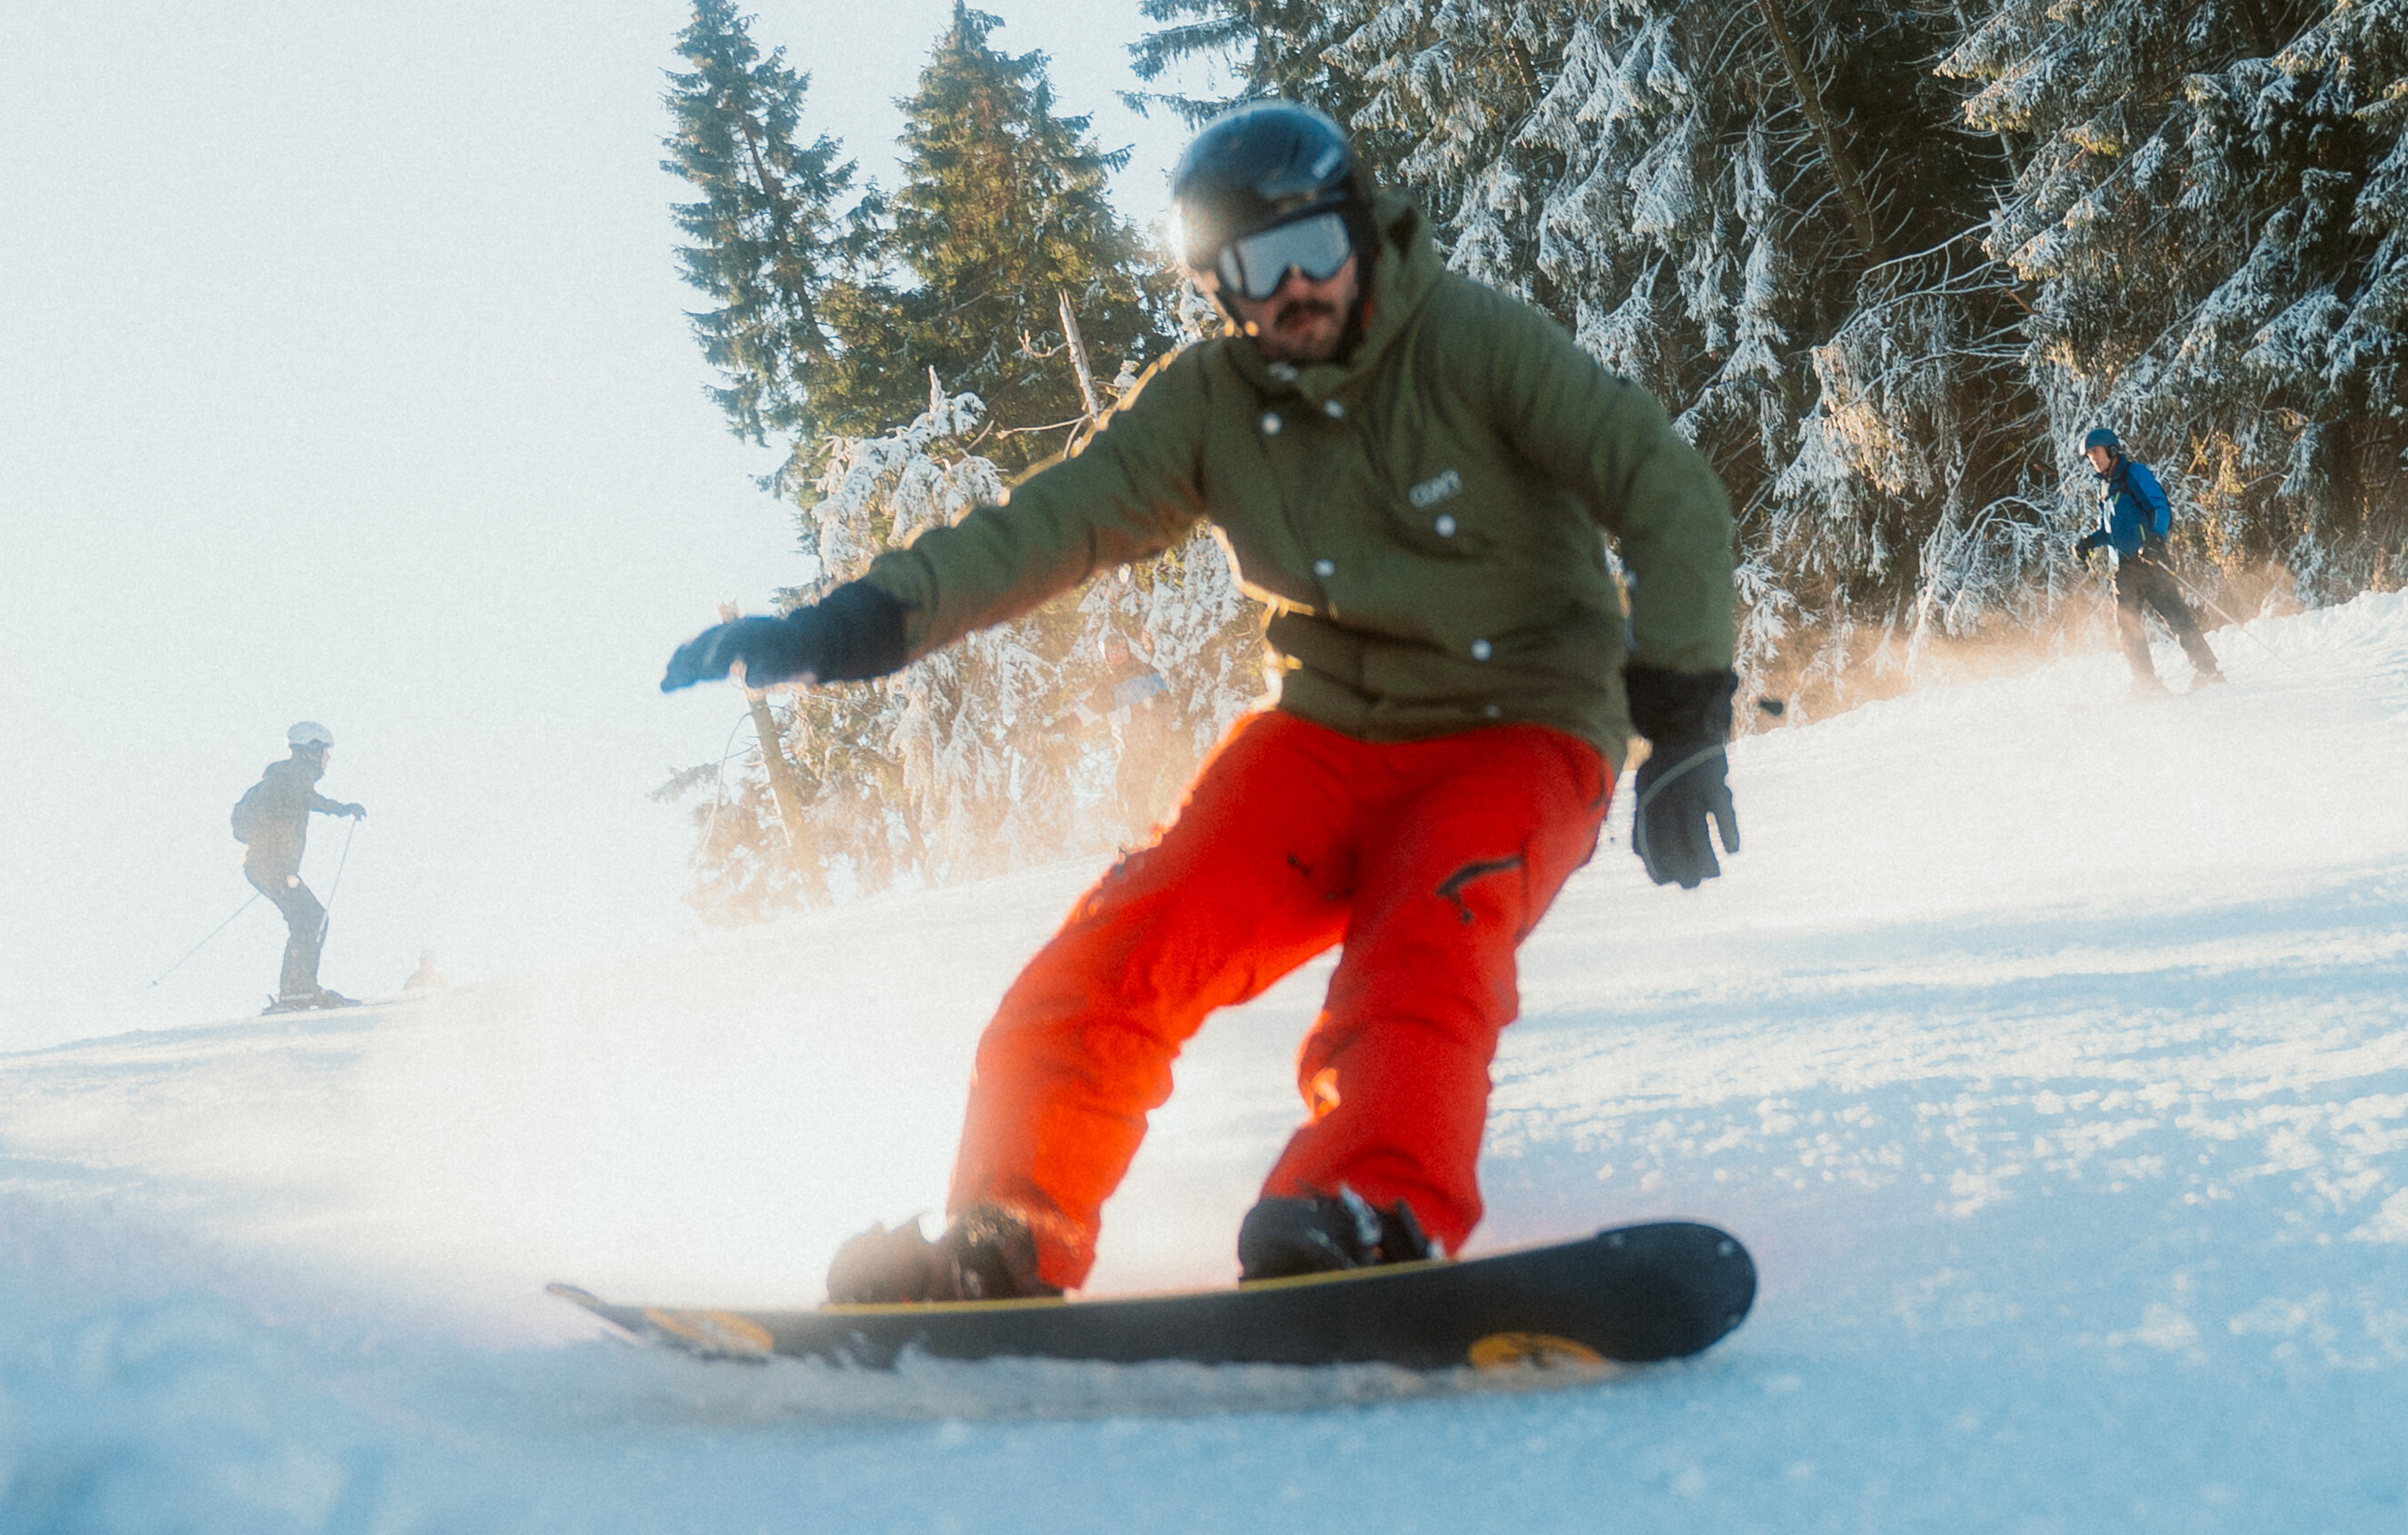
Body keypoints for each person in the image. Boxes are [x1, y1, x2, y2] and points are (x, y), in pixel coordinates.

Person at [661, 100, 1743, 1301]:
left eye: (1311, 255)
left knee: (1423, 949)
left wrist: (1686, 716)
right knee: (1130, 938)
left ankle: (1367, 1202)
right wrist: (843, 626)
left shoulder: (1470, 343)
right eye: (1251, 275)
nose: (1291, 297)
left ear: (1365, 235)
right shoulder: (1214, 403)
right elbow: (1051, 524)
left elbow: (1663, 481)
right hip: (1327, 734)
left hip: (1520, 728)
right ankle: (1004, 1234)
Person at [229, 721, 366, 1010]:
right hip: (271, 866)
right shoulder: (292, 776)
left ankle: (299, 989)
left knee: (308, 919)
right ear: (312, 751)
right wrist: (343, 809)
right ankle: (296, 991)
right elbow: (307, 798)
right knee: (311, 919)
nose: (328, 758)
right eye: (325, 751)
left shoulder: (284, 776)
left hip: (266, 865)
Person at [2077, 424, 2221, 694]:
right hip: (2124, 569)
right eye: (2088, 455)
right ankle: (2146, 683)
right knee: (2128, 626)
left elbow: (2160, 506)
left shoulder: (2134, 474)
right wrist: (2091, 542)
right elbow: (2111, 532)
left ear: (2111, 449)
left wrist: (2156, 539)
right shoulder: (2105, 489)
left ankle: (2208, 671)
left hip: (2151, 560)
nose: (2092, 458)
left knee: (2176, 617)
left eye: (2095, 452)